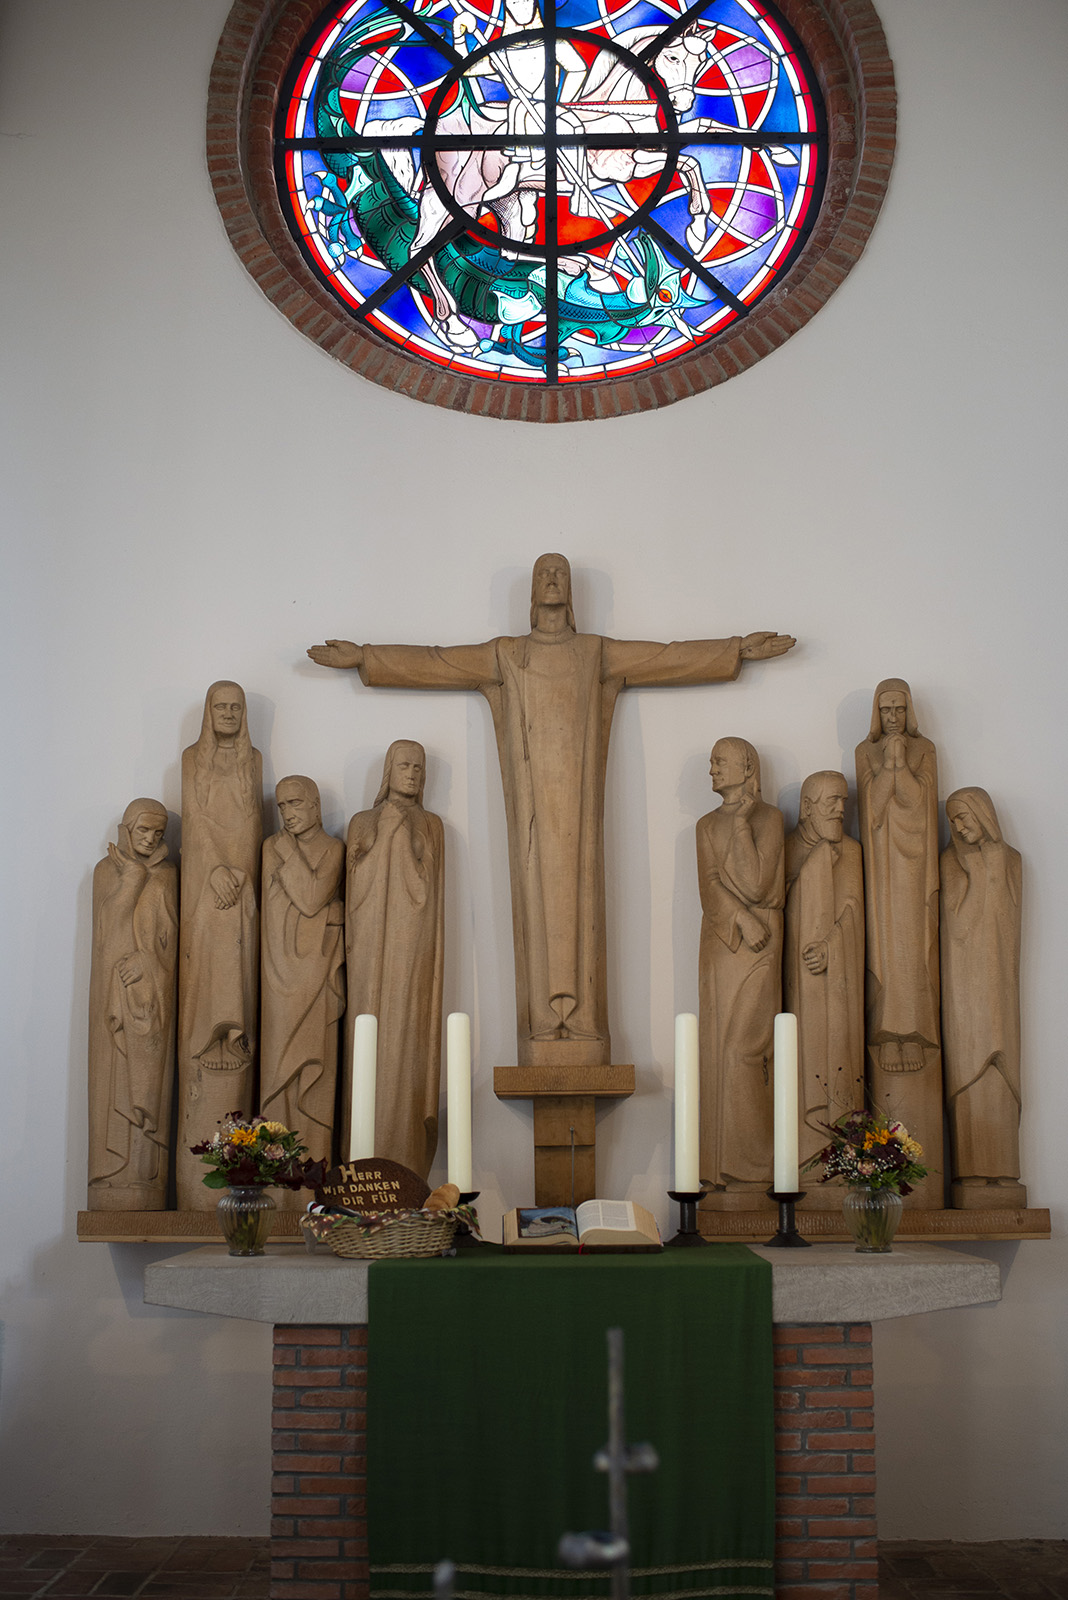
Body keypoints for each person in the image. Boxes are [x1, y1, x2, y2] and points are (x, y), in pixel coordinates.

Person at [309, 554, 794, 1067]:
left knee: (581, 901)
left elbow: (665, 657)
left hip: (580, 815)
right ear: (531, 592)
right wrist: (366, 657)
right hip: (531, 814)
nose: (553, 580)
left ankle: (582, 1024)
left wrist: (734, 650)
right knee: (536, 902)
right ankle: (544, 1023)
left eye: (560, 572)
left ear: (572, 592)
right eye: (544, 573)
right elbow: (438, 660)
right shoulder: (507, 655)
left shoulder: (594, 653)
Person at [854, 677, 942, 1205]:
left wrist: (901, 765)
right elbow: (873, 805)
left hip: (915, 873)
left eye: (898, 709)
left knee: (914, 956)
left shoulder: (925, 749)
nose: (891, 717)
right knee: (885, 956)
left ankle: (914, 1031)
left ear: (909, 711)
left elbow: (919, 804)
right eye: (884, 709)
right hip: (882, 873)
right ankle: (889, 1028)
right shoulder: (866, 751)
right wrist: (886, 765)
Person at [176, 681, 263, 1210]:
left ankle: (234, 1038)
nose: (228, 714)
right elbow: (196, 820)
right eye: (220, 707)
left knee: (241, 962)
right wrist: (214, 873)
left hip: (245, 882)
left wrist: (239, 873)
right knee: (208, 965)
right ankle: (210, 1037)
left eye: (236, 707)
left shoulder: (253, 760)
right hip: (205, 886)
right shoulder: (193, 759)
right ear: (208, 713)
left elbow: (252, 822)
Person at [345, 741, 444, 1180]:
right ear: (388, 770)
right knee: (367, 1035)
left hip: (412, 946)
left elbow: (427, 890)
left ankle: (405, 1160)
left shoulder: (432, 824)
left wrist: (400, 837)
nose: (412, 774)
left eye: (419, 768)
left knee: (406, 1037)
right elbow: (355, 887)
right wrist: (386, 832)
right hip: (369, 947)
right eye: (404, 765)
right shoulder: (363, 821)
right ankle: (365, 1166)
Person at [696, 738, 784, 1202]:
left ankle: (754, 1165)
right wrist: (739, 917)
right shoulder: (704, 825)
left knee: (744, 1050)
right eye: (711, 761)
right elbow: (709, 883)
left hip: (761, 941)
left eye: (719, 761)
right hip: (722, 940)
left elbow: (758, 882)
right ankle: (719, 1169)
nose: (710, 768)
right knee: (715, 1051)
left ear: (746, 766)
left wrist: (744, 826)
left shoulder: (769, 819)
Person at [87, 800, 178, 1210]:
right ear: (127, 829)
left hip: (150, 1001)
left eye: (158, 833)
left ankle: (143, 1178)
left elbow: (174, 943)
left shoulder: (169, 876)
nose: (150, 839)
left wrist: (149, 963)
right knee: (112, 1080)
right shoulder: (108, 871)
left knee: (146, 1089)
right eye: (143, 831)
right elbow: (107, 934)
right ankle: (111, 1174)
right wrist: (132, 877)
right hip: (113, 1000)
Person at [940, 787, 1026, 1209]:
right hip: (964, 988)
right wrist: (976, 875)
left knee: (1002, 1072)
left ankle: (1005, 1171)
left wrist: (990, 870)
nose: (958, 825)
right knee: (970, 1072)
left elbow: (1010, 921)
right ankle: (971, 1172)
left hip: (999, 985)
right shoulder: (950, 862)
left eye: (963, 816)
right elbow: (955, 927)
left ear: (983, 813)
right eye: (952, 819)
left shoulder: (1011, 860)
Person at [260, 777, 345, 1201]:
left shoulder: (332, 850)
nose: (288, 813)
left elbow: (311, 898)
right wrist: (332, 915)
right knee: (279, 1074)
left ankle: (310, 1181)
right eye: (281, 806)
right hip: (278, 977)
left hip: (316, 978)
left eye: (296, 803)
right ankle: (278, 1183)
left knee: (314, 1071)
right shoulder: (270, 847)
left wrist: (330, 913)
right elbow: (287, 911)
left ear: (315, 805)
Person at [784, 771, 864, 1194]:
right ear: (808, 807)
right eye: (832, 801)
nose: (841, 809)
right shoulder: (790, 849)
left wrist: (833, 947)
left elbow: (852, 910)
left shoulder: (848, 852)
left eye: (844, 801)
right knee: (802, 1060)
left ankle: (842, 1163)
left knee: (839, 1058)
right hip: (798, 984)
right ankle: (806, 1156)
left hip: (838, 983)